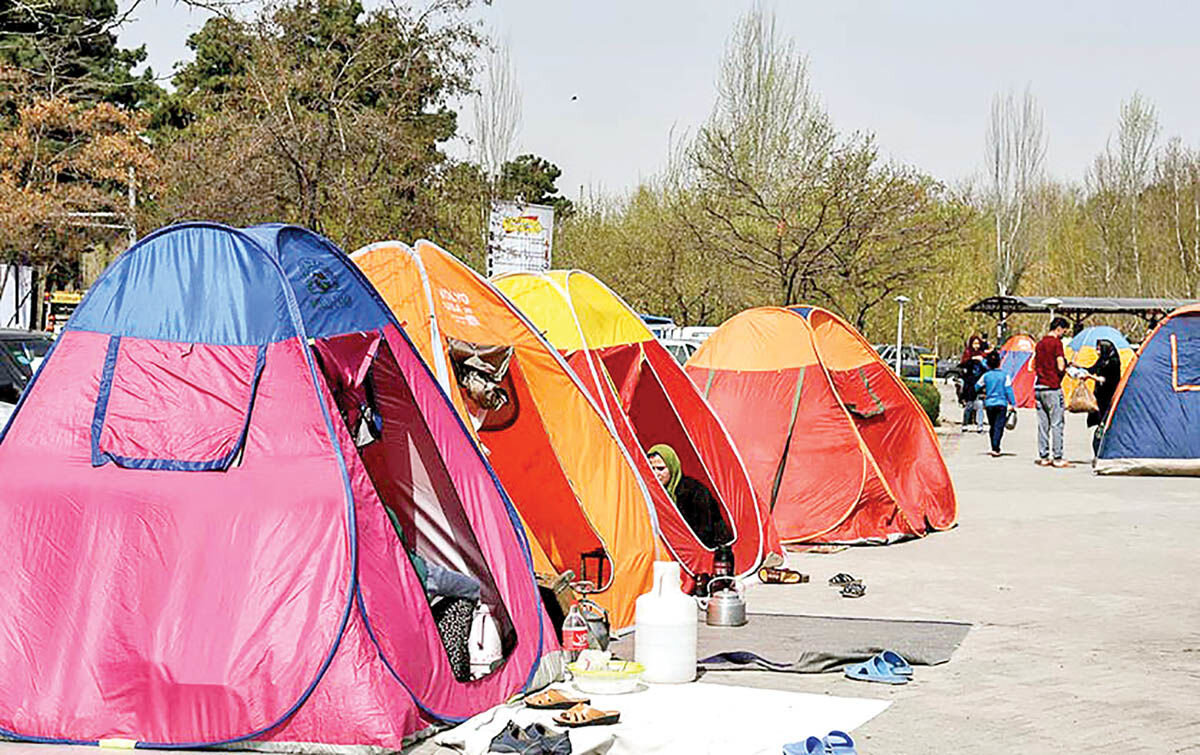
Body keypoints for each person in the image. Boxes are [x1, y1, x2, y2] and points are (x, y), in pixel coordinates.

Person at [647, 443, 732, 549]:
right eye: (651, 468)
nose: (655, 474)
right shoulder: (651, 493)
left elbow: (706, 530)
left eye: (660, 469)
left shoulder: (694, 492)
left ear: (672, 468)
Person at [1034, 317, 1071, 468]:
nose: (1064, 334)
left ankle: (1043, 456)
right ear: (1059, 328)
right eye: (1064, 331)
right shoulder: (1056, 343)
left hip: (1039, 387)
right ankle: (1057, 457)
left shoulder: (1040, 343)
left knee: (1043, 424)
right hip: (1053, 387)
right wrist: (1067, 365)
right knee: (1057, 423)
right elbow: (1060, 365)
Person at [1085, 338, 1123, 456]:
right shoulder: (1103, 360)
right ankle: (1099, 450)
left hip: (1109, 396)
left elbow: (1109, 380)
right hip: (1099, 396)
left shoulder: (1114, 362)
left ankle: (1102, 450)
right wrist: (1077, 367)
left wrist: (1092, 378)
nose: (1097, 351)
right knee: (1099, 423)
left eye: (1099, 348)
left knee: (1105, 424)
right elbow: (1092, 369)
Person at [976, 350, 1017, 457]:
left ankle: (993, 446)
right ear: (1000, 362)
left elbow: (977, 386)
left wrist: (982, 391)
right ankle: (996, 446)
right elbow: (1009, 390)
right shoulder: (1005, 376)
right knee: (999, 426)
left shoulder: (986, 376)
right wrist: (1012, 403)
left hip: (989, 404)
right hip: (1002, 404)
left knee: (992, 425)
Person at [958, 334, 989, 432]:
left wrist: (982, 361)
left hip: (979, 383)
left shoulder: (982, 354)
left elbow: (987, 367)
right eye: (974, 343)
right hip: (969, 383)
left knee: (979, 404)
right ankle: (965, 423)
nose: (976, 346)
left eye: (978, 344)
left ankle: (979, 425)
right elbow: (962, 365)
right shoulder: (967, 353)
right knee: (969, 405)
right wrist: (972, 360)